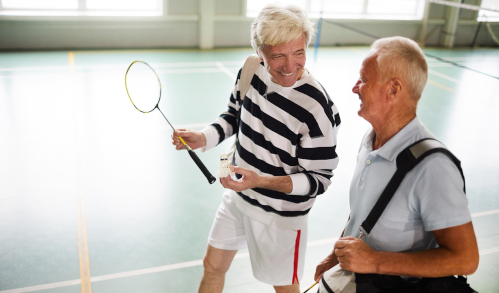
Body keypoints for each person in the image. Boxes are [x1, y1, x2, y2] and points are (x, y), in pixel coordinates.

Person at [171, 4, 340, 293]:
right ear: (261, 52)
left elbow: (319, 180)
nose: (290, 66)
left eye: (298, 52)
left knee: (285, 289)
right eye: (278, 56)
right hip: (238, 199)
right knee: (212, 266)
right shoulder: (251, 69)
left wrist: (261, 181)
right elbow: (233, 116)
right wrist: (204, 137)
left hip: (280, 216)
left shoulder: (317, 108)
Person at [314, 36, 479, 291]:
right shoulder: (371, 141)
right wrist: (335, 258)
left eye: (364, 80)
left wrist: (376, 261)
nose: (355, 87)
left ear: (393, 90)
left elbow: (465, 259)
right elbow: (365, 211)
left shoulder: (433, 168)